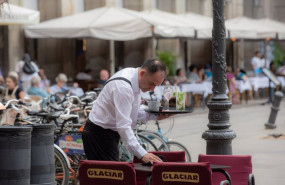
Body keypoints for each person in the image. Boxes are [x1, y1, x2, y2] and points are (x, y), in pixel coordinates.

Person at [83, 59, 170, 162]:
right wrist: (142, 154)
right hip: (99, 135)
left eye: (156, 86)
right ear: (142, 73)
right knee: (111, 176)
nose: (152, 89)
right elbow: (124, 125)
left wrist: (156, 115)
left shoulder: (134, 77)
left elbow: (134, 111)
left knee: (113, 175)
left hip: (106, 133)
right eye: (152, 84)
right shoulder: (123, 87)